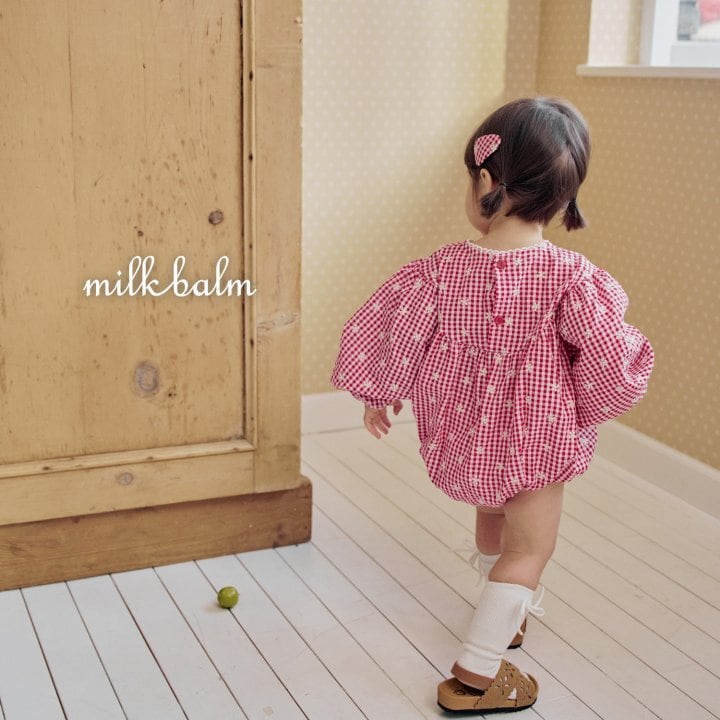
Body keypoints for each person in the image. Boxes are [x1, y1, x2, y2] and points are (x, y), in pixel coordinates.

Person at [329, 96, 654, 713]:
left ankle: (507, 609)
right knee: (530, 548)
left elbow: (397, 332)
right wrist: (601, 396)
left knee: (493, 519)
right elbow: (607, 355)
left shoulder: (441, 270)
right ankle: (477, 674)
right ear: (562, 195)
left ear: (484, 181)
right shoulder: (570, 277)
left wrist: (381, 391)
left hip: (468, 431)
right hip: (536, 438)